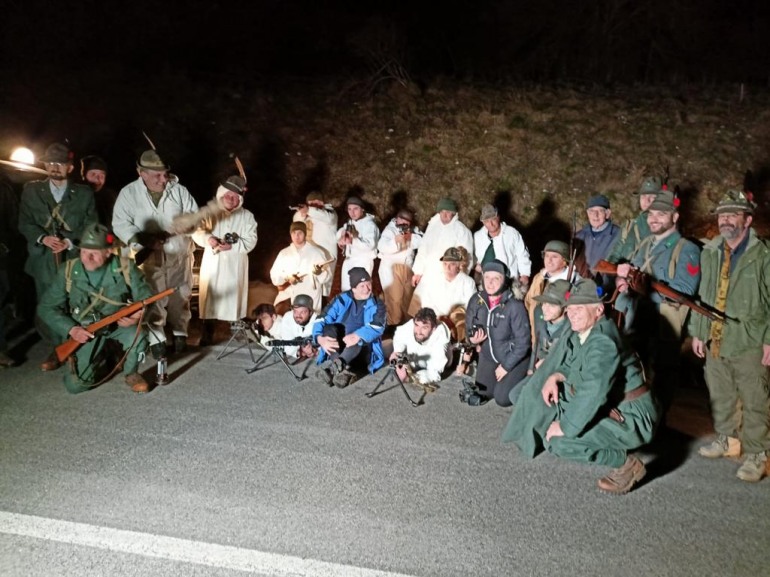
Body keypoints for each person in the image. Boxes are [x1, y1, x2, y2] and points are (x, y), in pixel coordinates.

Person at [502, 279, 659, 495]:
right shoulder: (587, 332)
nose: (572, 314)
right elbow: (575, 365)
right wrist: (556, 375)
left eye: (579, 308)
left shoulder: (603, 341)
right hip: (617, 405)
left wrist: (565, 426)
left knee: (559, 442)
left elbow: (593, 390)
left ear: (598, 309)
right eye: (570, 308)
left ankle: (626, 463)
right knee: (553, 405)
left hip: (631, 417)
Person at [689, 190, 769, 483]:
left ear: (747, 220)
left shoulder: (763, 254)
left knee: (755, 397)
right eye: (723, 215)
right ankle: (727, 439)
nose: (726, 221)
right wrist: (698, 332)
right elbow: (703, 294)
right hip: (716, 335)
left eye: (732, 215)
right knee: (720, 391)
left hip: (750, 336)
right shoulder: (711, 251)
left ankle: (758, 455)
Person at [37, 224, 153, 394]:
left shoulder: (125, 268)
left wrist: (138, 314)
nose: (88, 258)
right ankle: (92, 358)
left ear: (108, 252)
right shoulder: (68, 271)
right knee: (76, 386)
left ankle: (131, 373)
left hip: (116, 324)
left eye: (95, 253)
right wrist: (71, 329)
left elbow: (146, 297)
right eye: (84, 251)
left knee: (139, 335)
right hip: (84, 329)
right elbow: (46, 308)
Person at [615, 189, 701, 409]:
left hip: (664, 325)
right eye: (651, 214)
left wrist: (645, 287)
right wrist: (623, 281)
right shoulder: (645, 244)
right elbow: (633, 274)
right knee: (635, 373)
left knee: (662, 380)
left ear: (675, 217)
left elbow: (685, 290)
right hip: (638, 320)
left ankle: (658, 429)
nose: (654, 219)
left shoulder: (687, 249)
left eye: (661, 214)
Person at [112, 148, 198, 358]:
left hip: (179, 257)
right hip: (149, 259)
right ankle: (156, 339)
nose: (163, 179)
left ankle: (180, 334)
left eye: (165, 174)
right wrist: (141, 239)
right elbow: (120, 223)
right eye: (157, 175)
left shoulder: (179, 191)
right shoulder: (128, 193)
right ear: (141, 172)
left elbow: (195, 216)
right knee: (153, 300)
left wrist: (188, 225)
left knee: (181, 298)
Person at [18, 142, 97, 370]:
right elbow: (24, 222)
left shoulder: (83, 193)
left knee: (77, 301)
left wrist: (69, 241)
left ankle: (76, 345)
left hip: (73, 257)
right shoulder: (31, 190)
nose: (55, 168)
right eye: (51, 163)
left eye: (61, 164)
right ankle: (57, 348)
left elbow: (92, 225)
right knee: (47, 303)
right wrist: (42, 238)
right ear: (44, 165)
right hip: (43, 259)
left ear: (70, 168)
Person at [192, 176, 258, 345]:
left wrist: (233, 247)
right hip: (214, 264)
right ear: (221, 195)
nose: (230, 199)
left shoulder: (247, 217)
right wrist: (209, 239)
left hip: (235, 264)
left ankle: (237, 331)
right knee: (211, 297)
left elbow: (251, 240)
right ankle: (207, 333)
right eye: (227, 195)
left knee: (234, 297)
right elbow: (197, 231)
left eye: (234, 197)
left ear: (239, 199)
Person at [463, 260, 531, 406]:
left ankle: (527, 378)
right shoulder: (476, 300)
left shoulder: (514, 306)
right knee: (483, 392)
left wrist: (506, 366)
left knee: (502, 398)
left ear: (504, 280)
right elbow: (468, 329)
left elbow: (523, 343)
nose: (490, 283)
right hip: (489, 356)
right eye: (487, 277)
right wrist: (472, 340)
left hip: (513, 357)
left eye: (496, 278)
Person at [312, 267, 386, 388]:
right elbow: (322, 318)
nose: (367, 289)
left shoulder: (377, 304)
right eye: (362, 286)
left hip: (362, 350)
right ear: (353, 288)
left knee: (358, 338)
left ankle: (332, 370)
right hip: (341, 348)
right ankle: (341, 368)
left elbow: (378, 327)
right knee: (328, 329)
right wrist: (319, 338)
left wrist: (357, 335)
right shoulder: (341, 299)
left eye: (368, 284)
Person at [411, 197, 473, 295]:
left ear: (453, 213)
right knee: (418, 308)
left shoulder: (462, 231)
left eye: (448, 212)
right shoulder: (432, 227)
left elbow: (467, 259)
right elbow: (423, 250)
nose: (444, 215)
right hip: (427, 278)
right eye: (442, 211)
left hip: (447, 282)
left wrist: (458, 280)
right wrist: (418, 272)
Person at [524, 240, 581, 345]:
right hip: (537, 332)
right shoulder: (539, 277)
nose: (549, 261)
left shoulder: (575, 282)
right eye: (546, 256)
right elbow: (529, 301)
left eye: (554, 257)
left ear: (564, 261)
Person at [270, 221, 332, 314]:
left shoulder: (316, 252)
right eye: (294, 233)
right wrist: (287, 277)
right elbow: (274, 276)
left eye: (300, 233)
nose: (297, 236)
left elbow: (327, 278)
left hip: (311, 294)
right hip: (290, 294)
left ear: (305, 234)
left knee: (310, 320)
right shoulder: (284, 253)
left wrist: (319, 273)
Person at [377, 208, 422, 326]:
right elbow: (382, 247)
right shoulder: (390, 230)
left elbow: (424, 240)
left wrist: (410, 238)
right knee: (394, 300)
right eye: (401, 220)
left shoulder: (413, 231)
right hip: (391, 269)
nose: (404, 224)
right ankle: (391, 325)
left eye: (407, 222)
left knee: (408, 299)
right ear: (397, 219)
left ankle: (407, 325)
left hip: (407, 269)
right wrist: (395, 241)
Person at [408, 247, 476, 319]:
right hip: (436, 319)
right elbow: (427, 302)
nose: (447, 267)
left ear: (459, 265)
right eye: (445, 263)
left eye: (452, 264)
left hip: (458, 321)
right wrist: (439, 317)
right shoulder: (434, 278)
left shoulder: (468, 282)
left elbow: (471, 306)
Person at [292, 191, 338, 298]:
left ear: (322, 202)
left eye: (316, 202)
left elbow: (326, 217)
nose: (313, 205)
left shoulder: (330, 213)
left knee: (323, 286)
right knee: (306, 284)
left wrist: (309, 210)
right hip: (308, 255)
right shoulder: (306, 214)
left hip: (326, 256)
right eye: (310, 203)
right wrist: (303, 213)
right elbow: (296, 221)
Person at [390, 307, 452, 385]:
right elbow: (399, 335)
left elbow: (434, 374)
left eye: (424, 327)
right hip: (415, 359)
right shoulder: (412, 324)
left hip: (433, 364)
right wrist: (397, 352)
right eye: (417, 325)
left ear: (433, 329)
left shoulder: (440, 339)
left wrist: (410, 378)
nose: (418, 332)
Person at [606, 176, 661, 264]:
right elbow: (615, 255)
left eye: (652, 197)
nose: (647, 200)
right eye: (643, 196)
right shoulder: (629, 226)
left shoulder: (666, 228)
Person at [473, 204, 531, 286]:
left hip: (508, 279)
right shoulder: (478, 236)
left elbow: (522, 254)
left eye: (493, 219)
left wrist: (525, 274)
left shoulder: (512, 233)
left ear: (498, 217)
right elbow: (473, 256)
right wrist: (476, 266)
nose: (491, 224)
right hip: (486, 281)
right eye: (486, 221)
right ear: (483, 222)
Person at [527, 279, 571, 377]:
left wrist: (547, 364)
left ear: (566, 308)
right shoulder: (539, 313)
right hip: (538, 367)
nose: (545, 309)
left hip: (557, 372)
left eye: (552, 305)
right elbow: (537, 343)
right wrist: (530, 369)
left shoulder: (572, 327)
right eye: (544, 303)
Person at [336, 196, 379, 291]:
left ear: (362, 209)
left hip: (362, 262)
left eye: (356, 209)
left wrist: (353, 240)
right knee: (346, 291)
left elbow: (369, 245)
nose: (352, 212)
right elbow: (340, 233)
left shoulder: (370, 225)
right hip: (349, 260)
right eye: (349, 209)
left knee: (360, 291)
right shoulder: (350, 222)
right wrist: (341, 239)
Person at [574, 194, 621, 270]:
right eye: (592, 211)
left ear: (608, 214)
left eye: (600, 211)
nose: (595, 215)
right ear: (588, 213)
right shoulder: (579, 236)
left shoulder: (619, 235)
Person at [80, 155, 118, 229]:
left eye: (102, 176)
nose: (97, 179)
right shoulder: (75, 196)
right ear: (84, 175)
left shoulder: (111, 197)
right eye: (93, 174)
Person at [279, 294, 319, 359]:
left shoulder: (318, 321)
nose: (298, 315)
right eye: (295, 311)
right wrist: (299, 352)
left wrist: (315, 350)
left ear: (310, 312)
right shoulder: (288, 318)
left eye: (302, 312)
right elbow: (286, 343)